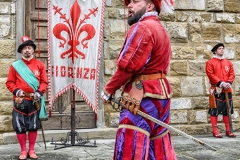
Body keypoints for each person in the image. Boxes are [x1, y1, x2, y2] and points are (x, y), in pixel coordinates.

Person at [101, 0, 176, 159]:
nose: (129, 5)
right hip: (162, 97)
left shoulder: (143, 27)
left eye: (135, 1)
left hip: (142, 97)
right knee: (159, 147)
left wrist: (108, 90)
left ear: (149, 6)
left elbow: (129, 66)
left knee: (132, 145)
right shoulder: (162, 30)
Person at [6, 36, 48, 160]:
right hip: (20, 102)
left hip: (34, 101)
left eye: (29, 48)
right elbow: (9, 83)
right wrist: (17, 90)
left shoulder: (39, 65)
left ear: (33, 50)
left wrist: (39, 92)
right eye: (24, 48)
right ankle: (23, 151)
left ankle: (32, 150)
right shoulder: (15, 66)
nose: (27, 50)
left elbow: (44, 82)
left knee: (33, 126)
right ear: (21, 51)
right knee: (19, 126)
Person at [205, 43, 236, 138]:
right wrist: (221, 83)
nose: (222, 50)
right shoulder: (210, 63)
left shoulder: (228, 63)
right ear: (215, 51)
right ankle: (215, 131)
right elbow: (210, 74)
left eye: (222, 48)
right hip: (216, 88)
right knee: (215, 110)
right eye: (219, 49)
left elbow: (232, 74)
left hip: (227, 89)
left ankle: (228, 130)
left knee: (227, 110)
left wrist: (229, 83)